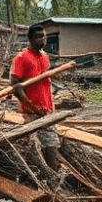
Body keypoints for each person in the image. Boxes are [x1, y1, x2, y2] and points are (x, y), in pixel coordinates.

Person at [10, 24, 60, 171]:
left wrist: (52, 108)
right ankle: (40, 180)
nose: (42, 40)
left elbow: (46, 84)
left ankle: (51, 178)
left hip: (46, 111)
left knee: (50, 146)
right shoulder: (21, 58)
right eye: (38, 37)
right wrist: (32, 106)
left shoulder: (45, 57)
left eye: (44, 36)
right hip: (30, 112)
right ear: (30, 39)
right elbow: (15, 87)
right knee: (34, 149)